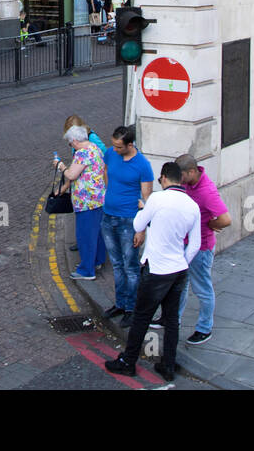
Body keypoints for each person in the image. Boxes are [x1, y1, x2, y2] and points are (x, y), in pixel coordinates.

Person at [103, 161, 201, 382]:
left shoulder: (157, 199)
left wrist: (142, 208)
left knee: (141, 317)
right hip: (179, 270)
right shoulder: (192, 205)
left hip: (156, 269)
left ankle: (128, 362)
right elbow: (194, 244)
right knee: (171, 319)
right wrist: (180, 262)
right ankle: (168, 365)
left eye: (160, 180)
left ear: (164, 178)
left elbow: (138, 225)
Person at [99, 125, 154, 324]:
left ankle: (132, 308)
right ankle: (120, 304)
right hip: (108, 217)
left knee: (131, 267)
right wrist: (110, 194)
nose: (114, 150)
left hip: (129, 221)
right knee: (116, 265)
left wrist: (141, 229)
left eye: (119, 147)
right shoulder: (110, 154)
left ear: (130, 144)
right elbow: (106, 172)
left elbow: (147, 198)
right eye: (113, 145)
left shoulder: (143, 165)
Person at [175, 153, 231, 345]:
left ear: (191, 172)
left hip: (201, 249)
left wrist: (211, 224)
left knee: (202, 289)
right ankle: (174, 320)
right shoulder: (187, 184)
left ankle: (204, 329)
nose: (178, 180)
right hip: (185, 243)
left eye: (180, 176)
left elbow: (226, 219)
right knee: (180, 286)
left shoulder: (206, 191)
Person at [53, 125, 107, 280]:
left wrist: (60, 166)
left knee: (85, 235)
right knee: (97, 233)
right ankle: (97, 261)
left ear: (75, 140)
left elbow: (71, 175)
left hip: (86, 201)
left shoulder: (82, 153)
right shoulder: (94, 148)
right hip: (98, 198)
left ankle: (86, 270)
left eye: (70, 143)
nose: (71, 145)